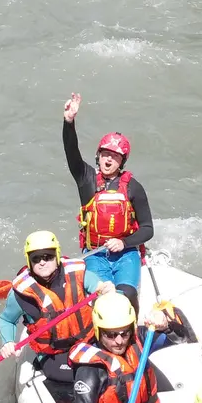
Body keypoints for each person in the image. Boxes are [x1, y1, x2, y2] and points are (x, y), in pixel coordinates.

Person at [62, 93, 153, 307]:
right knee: (104, 297)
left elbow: (148, 229)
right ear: (98, 156)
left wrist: (124, 242)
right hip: (95, 254)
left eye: (115, 156)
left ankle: (131, 334)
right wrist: (69, 122)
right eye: (105, 154)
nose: (108, 159)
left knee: (127, 293)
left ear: (122, 161)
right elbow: (71, 152)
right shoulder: (86, 180)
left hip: (126, 254)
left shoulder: (133, 187)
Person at [0, 230, 106, 403]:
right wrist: (7, 342)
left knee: (102, 369)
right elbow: (6, 320)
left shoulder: (77, 273)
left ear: (57, 255)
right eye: (36, 258)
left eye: (47, 256)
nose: (42, 262)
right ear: (29, 261)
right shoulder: (20, 292)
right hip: (54, 355)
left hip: (87, 341)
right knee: (77, 377)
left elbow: (99, 287)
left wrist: (105, 289)